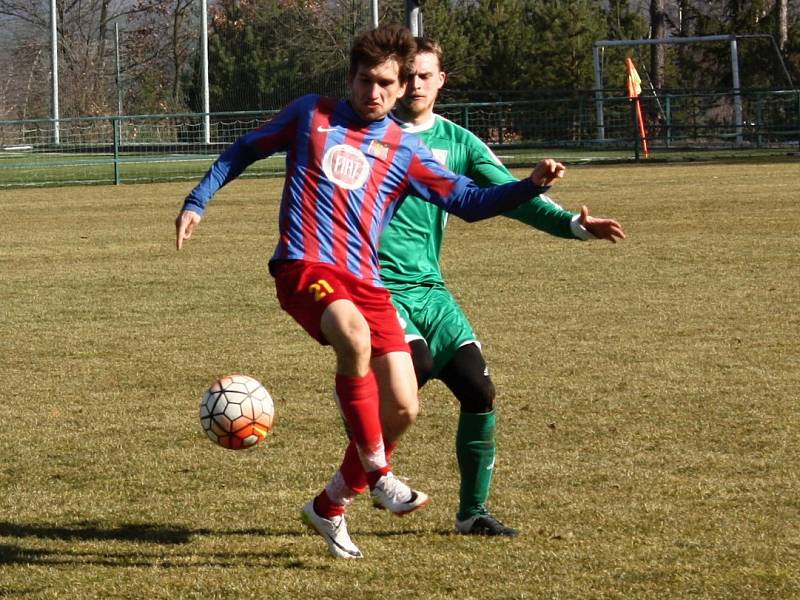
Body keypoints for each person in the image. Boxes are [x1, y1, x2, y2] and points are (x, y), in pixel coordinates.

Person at [175, 24, 565, 559]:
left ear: (403, 87)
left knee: (403, 407)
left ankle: (329, 506)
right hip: (305, 266)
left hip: (366, 281)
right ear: (350, 78)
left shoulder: (405, 149)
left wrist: (530, 185)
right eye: (364, 81)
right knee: (353, 339)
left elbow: (470, 202)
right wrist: (198, 199)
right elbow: (242, 150)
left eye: (385, 84)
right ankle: (380, 473)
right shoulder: (312, 113)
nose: (373, 93)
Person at [376, 38, 627, 536]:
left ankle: (472, 514)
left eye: (427, 75)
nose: (417, 84)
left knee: (478, 388)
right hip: (377, 285)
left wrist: (573, 226)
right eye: (410, 75)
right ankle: (366, 470)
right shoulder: (370, 133)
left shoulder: (459, 142)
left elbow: (510, 195)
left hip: (430, 288)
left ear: (440, 80)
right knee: (417, 367)